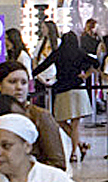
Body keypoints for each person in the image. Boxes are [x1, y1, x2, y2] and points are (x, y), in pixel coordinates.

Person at [32, 31, 97, 163]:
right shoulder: (79, 52)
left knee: (60, 121)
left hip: (63, 90)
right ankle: (78, 147)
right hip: (78, 89)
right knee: (75, 125)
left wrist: (32, 74)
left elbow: (43, 65)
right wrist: (86, 75)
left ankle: (75, 151)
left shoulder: (58, 53)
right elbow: (96, 62)